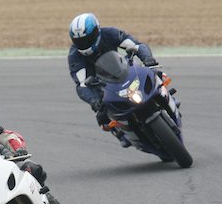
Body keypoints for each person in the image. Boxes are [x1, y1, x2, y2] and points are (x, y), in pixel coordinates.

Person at [68, 13, 159, 148]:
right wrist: (94, 101)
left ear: (97, 31)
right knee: (102, 116)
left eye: (88, 39)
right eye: (79, 41)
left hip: (122, 70)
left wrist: (147, 59)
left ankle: (164, 95)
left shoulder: (110, 33)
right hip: (100, 84)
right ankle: (119, 132)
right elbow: (81, 85)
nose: (84, 44)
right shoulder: (74, 56)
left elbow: (137, 46)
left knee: (153, 74)